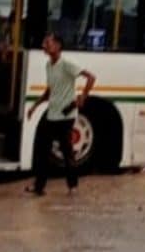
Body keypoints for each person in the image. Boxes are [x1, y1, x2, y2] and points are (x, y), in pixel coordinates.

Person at [26, 32, 95, 196]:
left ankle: (73, 187)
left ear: (58, 46)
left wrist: (83, 97)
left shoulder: (67, 64)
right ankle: (39, 187)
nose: (44, 46)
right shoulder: (49, 65)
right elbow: (50, 91)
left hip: (66, 117)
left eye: (48, 43)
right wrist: (35, 106)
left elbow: (91, 77)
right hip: (52, 114)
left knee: (67, 153)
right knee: (43, 151)